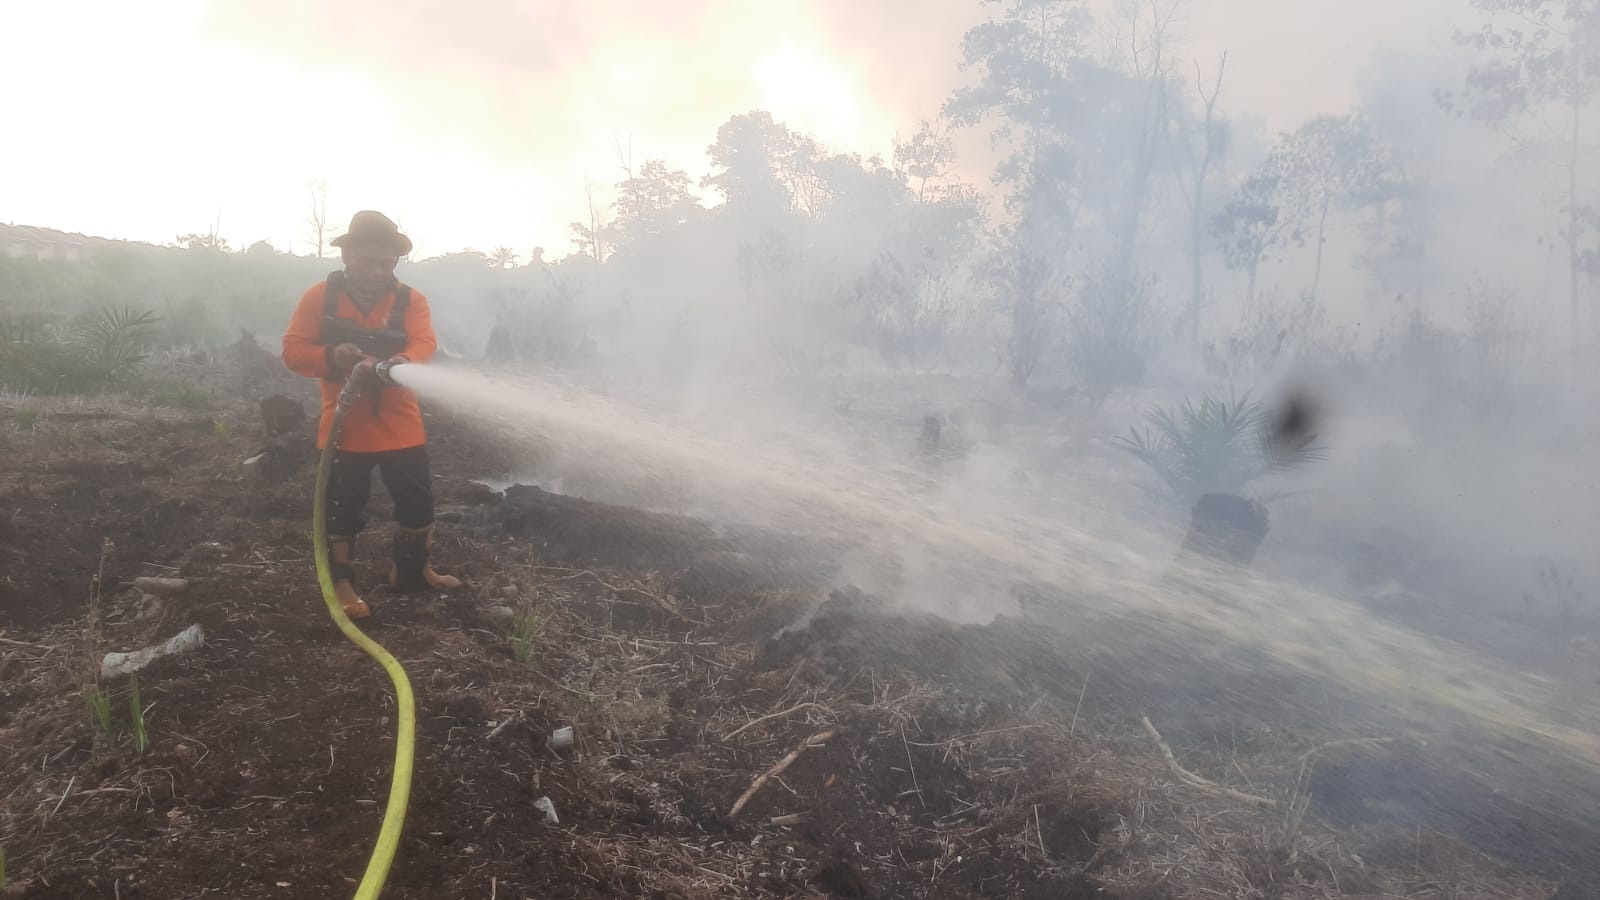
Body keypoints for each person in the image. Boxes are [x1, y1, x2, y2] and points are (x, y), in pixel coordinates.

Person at [282, 211, 461, 618]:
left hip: (401, 425)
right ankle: (342, 585)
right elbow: (293, 351)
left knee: (418, 505)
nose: (379, 271)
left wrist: (400, 360)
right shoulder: (320, 298)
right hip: (345, 428)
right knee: (341, 509)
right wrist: (332, 355)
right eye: (369, 261)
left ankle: (413, 572)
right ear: (347, 256)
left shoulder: (411, 301)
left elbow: (424, 343)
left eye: (387, 262)